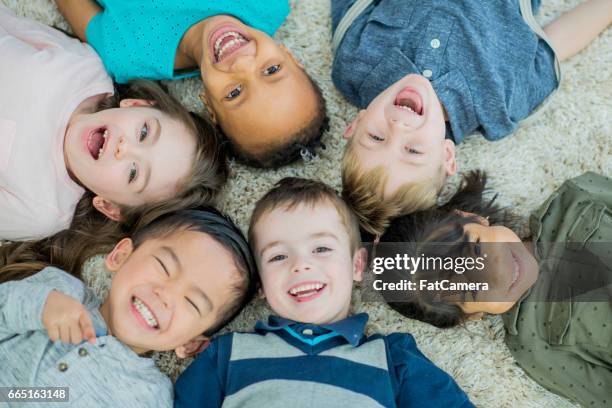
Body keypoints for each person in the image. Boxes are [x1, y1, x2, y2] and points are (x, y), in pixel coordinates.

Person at [174, 178, 474, 407]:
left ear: (358, 265)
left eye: (321, 249)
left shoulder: (391, 358)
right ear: (260, 285)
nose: (301, 265)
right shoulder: (227, 354)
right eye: (278, 256)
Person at [332, 0, 612, 236]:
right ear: (447, 156)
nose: (398, 127)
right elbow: (558, 41)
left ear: (355, 124)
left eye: (376, 137)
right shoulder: (501, 107)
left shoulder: (354, 63)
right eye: (413, 150)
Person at [376, 171, 612, 408]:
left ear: (472, 218)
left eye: (476, 249)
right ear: (470, 315)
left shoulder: (575, 199)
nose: (498, 271)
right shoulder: (535, 346)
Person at [0, 5, 227, 241]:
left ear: (110, 206)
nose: (124, 148)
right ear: (138, 104)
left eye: (133, 173)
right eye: (143, 132)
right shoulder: (83, 67)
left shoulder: (43, 210)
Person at [0, 206, 258, 407]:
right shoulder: (61, 290)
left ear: (191, 344)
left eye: (191, 302)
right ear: (120, 256)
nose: (165, 294)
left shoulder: (152, 395)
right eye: (164, 266)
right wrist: (39, 306)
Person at [53, 0, 329, 168]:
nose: (242, 64)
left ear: (208, 104)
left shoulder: (129, 54)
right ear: (292, 57)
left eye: (234, 93)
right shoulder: (268, 4)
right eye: (271, 69)